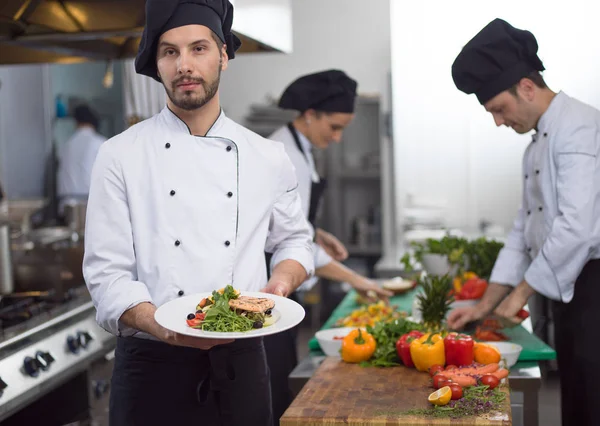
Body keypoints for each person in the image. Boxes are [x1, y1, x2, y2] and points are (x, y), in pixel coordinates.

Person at [82, 1, 315, 425]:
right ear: (157, 63)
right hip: (150, 367)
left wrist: (280, 284)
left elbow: (295, 240)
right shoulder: (119, 155)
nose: (184, 65)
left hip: (241, 363)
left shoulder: (268, 156)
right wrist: (161, 325)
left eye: (199, 49)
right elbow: (106, 274)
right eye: (170, 51)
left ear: (224, 55)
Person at [447, 18, 600, 426]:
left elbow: (577, 229)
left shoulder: (579, 129)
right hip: (572, 290)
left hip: (594, 288)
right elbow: (523, 230)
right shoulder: (536, 145)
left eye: (499, 109)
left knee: (592, 398)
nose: (498, 121)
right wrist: (487, 303)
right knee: (577, 393)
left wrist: (519, 295)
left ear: (527, 88)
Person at [264, 69, 392, 422]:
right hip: (271, 280)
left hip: (283, 277)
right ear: (309, 114)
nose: (337, 138)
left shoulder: (298, 147)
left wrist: (317, 232)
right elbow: (293, 243)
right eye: (334, 127)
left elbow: (287, 221)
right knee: (276, 380)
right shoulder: (285, 154)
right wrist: (358, 280)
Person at [57, 104, 106, 207]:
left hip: (67, 204)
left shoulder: (66, 145)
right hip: (92, 204)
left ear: (76, 122)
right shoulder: (100, 143)